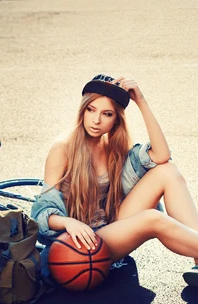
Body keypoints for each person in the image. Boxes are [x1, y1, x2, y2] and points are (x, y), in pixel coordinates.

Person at [31, 73, 198, 287]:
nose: (96, 120)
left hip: (113, 229)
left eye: (107, 114)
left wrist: (141, 102)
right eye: (91, 110)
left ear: (116, 119)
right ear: (83, 110)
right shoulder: (63, 149)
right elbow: (42, 210)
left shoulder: (113, 148)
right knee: (152, 219)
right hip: (80, 244)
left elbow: (161, 156)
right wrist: (67, 222)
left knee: (168, 171)